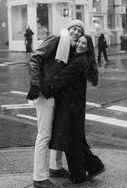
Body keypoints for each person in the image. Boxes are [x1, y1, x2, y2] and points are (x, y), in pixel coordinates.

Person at [26, 20, 85, 188]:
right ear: (69, 28)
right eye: (74, 29)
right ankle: (39, 178)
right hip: (45, 91)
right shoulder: (58, 38)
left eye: (79, 32)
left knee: (57, 131)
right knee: (44, 135)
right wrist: (35, 84)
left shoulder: (71, 46)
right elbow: (35, 57)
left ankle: (56, 168)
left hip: (57, 93)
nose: (76, 33)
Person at [43, 34, 105, 184]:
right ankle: (94, 166)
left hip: (71, 107)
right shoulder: (79, 58)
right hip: (72, 105)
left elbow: (63, 77)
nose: (80, 45)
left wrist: (44, 90)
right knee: (74, 140)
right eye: (79, 42)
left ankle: (78, 175)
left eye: (84, 43)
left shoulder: (80, 61)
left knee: (69, 140)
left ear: (88, 47)